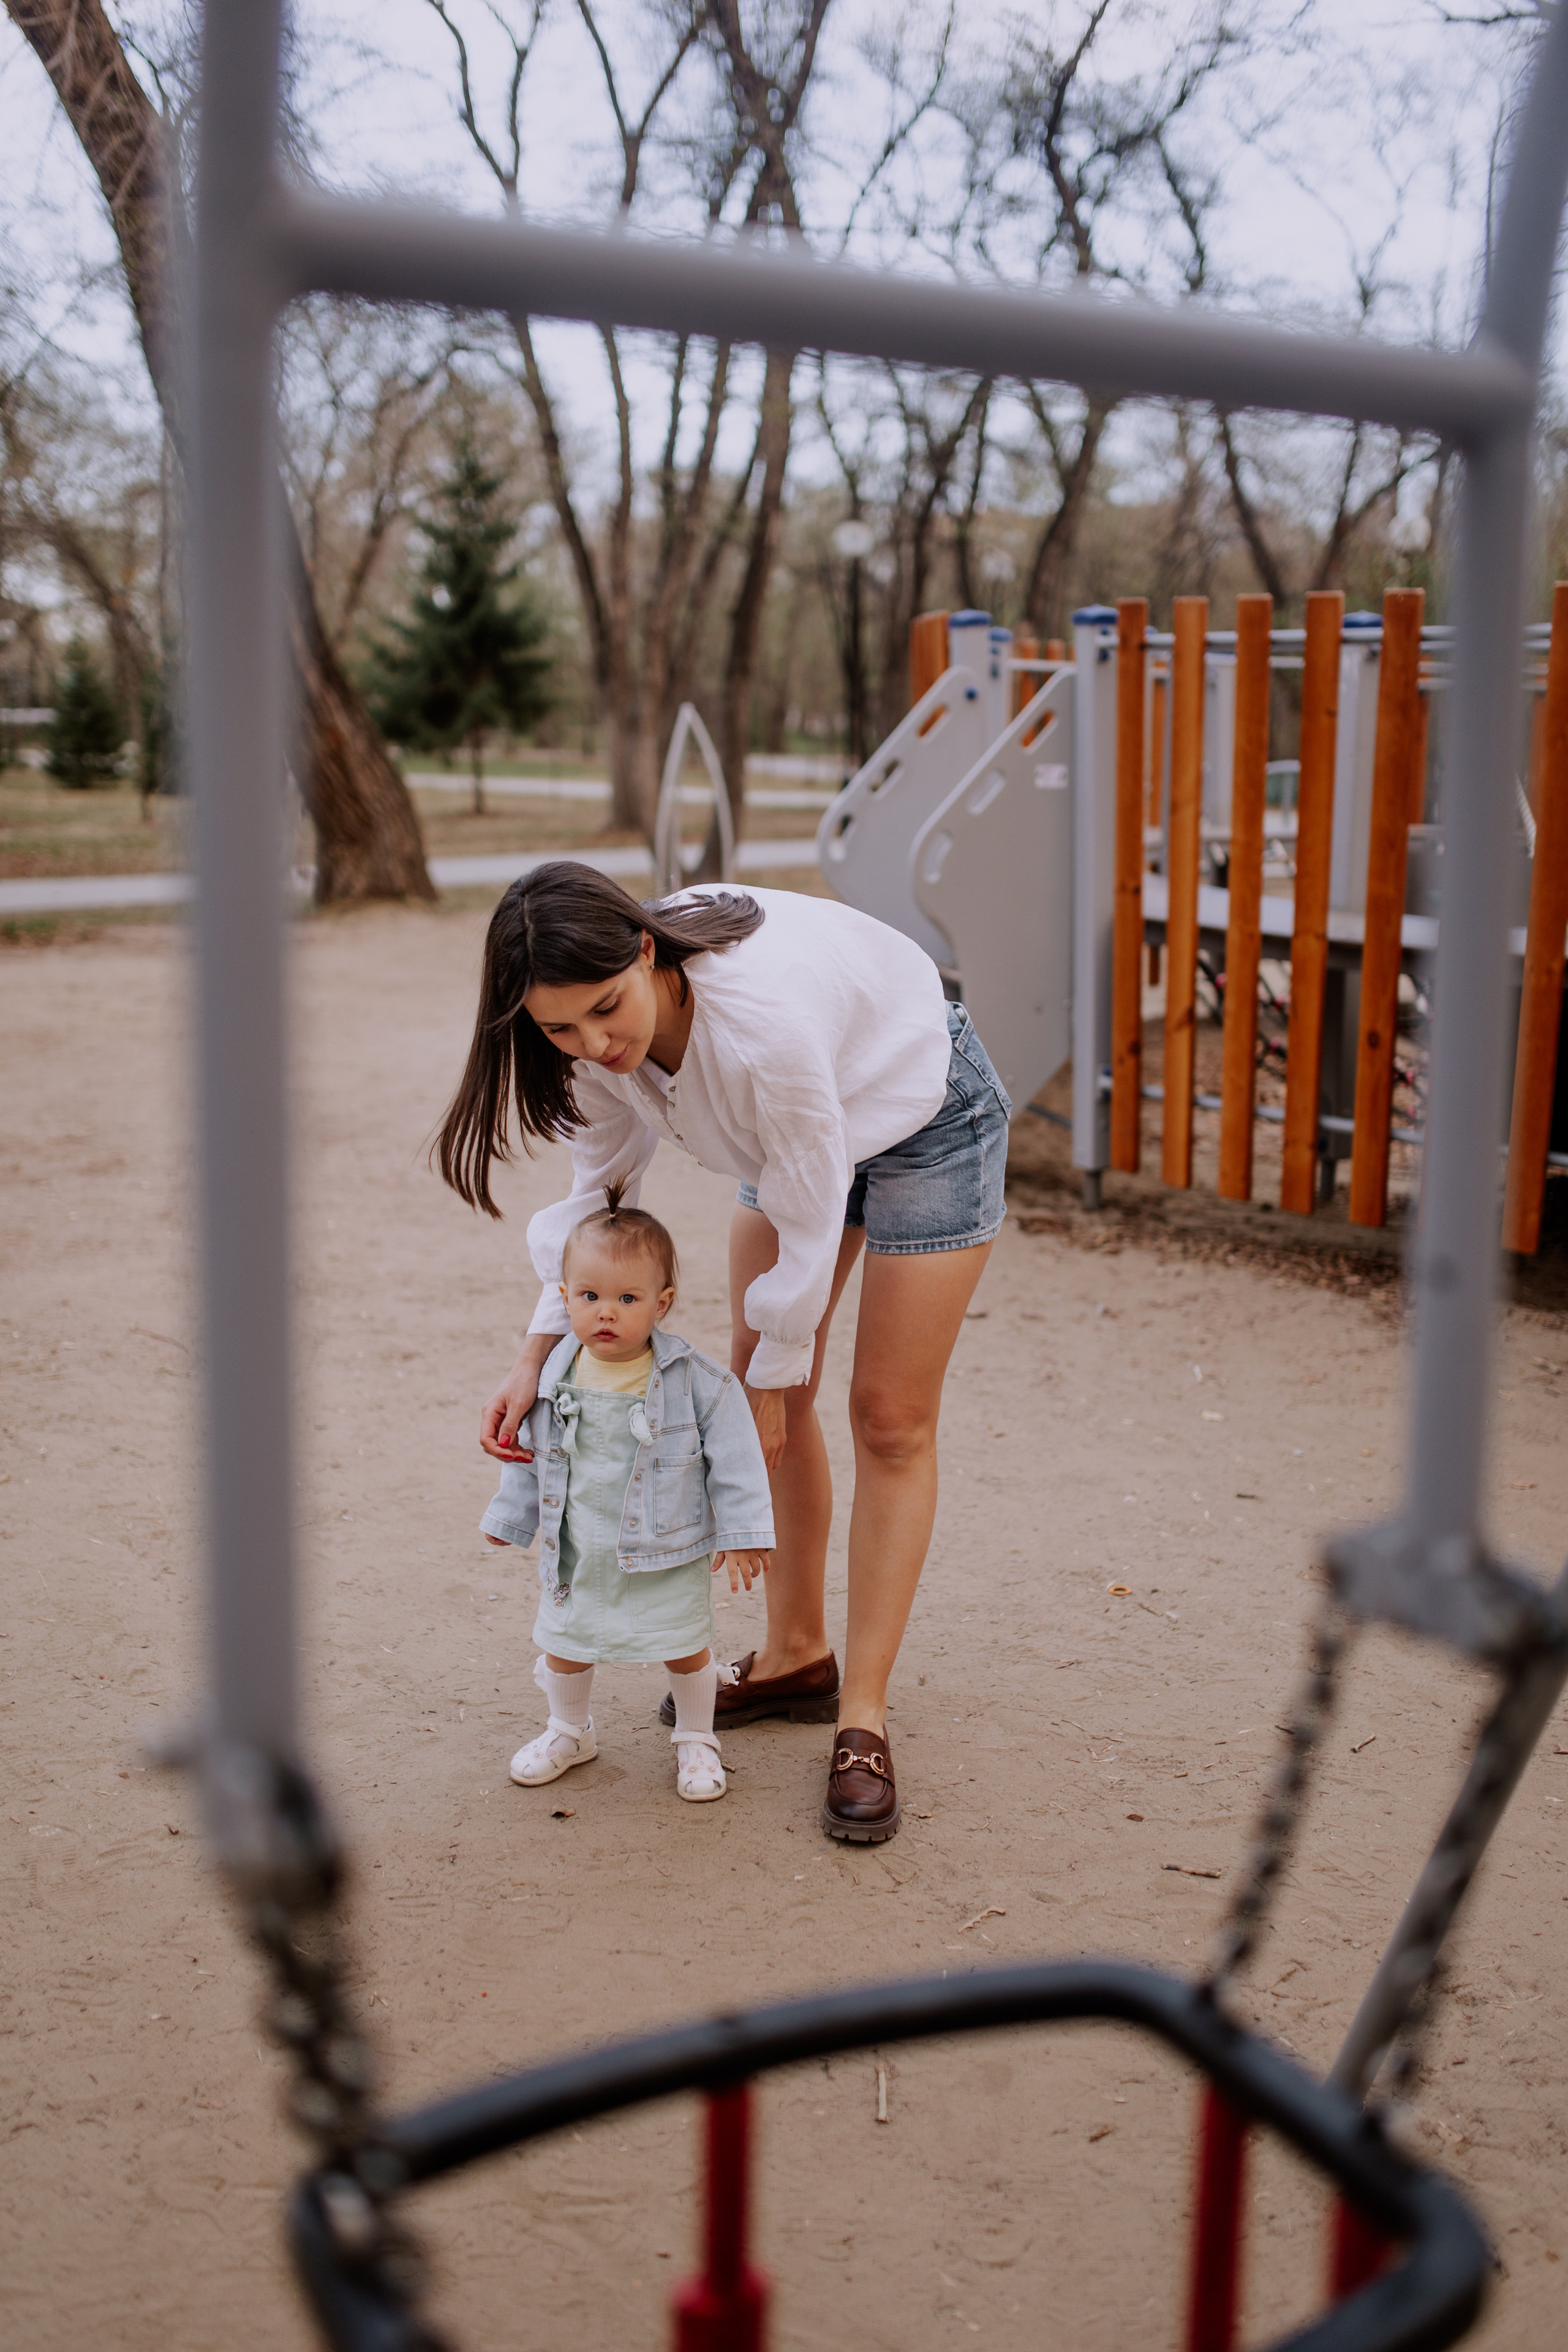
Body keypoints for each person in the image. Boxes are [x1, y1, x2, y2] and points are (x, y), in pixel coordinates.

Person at [437, 862, 1011, 1842]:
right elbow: (597, 1204)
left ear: (646, 952)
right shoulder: (591, 1042)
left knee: (887, 1416)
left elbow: (810, 1188)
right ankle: (796, 1653)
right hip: (793, 1142)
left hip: (923, 1112)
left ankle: (862, 1718)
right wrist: (532, 1358)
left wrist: (774, 1382)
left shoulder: (759, 1030)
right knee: (762, 1389)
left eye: (607, 1012)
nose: (596, 1045)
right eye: (560, 1029)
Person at [479, 1184, 773, 1803]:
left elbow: (737, 1461)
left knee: (685, 1642)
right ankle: (568, 1730)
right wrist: (511, 1515)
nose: (605, 1312)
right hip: (580, 1544)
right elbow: (528, 1449)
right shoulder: (555, 1373)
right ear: (563, 1299)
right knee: (564, 1642)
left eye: (626, 1298)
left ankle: (696, 1737)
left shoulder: (695, 1379)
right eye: (588, 1297)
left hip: (666, 1541)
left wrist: (743, 1534)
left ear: (662, 1303)